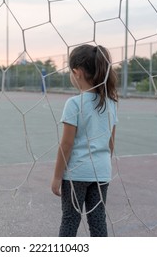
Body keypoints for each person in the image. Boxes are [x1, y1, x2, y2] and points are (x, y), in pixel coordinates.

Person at [51, 44, 118, 237]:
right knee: (98, 221)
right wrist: (101, 162)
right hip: (102, 173)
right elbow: (110, 143)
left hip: (76, 175)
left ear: (77, 72)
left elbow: (66, 144)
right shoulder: (111, 103)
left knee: (70, 220)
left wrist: (57, 176)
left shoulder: (74, 104)